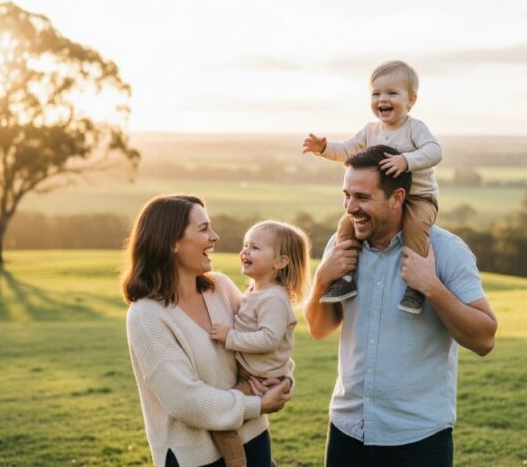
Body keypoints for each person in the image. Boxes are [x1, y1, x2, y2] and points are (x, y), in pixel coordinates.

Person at [303, 146, 497, 467]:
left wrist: (431, 286)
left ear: (397, 198)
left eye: (362, 197)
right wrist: (322, 279)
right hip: (347, 431)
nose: (351, 207)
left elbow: (484, 339)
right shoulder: (340, 247)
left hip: (418, 438)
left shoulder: (446, 251)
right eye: (346, 195)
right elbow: (319, 329)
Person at [123, 195, 292, 467]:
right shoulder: (146, 315)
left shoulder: (221, 288)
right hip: (197, 456)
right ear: (172, 243)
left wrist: (281, 380)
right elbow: (185, 400)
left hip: (254, 437)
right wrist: (257, 405)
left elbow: (269, 341)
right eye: (203, 229)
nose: (214, 237)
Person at [303, 59, 443, 314]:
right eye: (376, 93)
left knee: (414, 228)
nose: (382, 99)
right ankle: (345, 279)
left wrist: (406, 160)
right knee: (346, 225)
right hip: (381, 201)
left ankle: (416, 287)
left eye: (392, 93)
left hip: (418, 198)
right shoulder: (370, 131)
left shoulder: (415, 129)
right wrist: (323, 149)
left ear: (411, 100)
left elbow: (435, 151)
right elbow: (347, 151)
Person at [209, 220, 311, 467]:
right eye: (245, 245)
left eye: (255, 247)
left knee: (221, 419)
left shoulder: (273, 298)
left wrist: (229, 337)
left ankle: (236, 463)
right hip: (254, 373)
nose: (245, 252)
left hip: (258, 379)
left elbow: (269, 339)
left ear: (280, 262)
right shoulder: (255, 291)